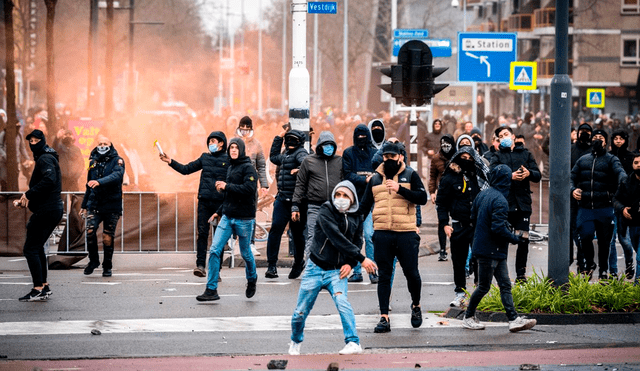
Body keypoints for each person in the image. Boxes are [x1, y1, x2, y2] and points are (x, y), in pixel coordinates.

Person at [288, 181, 378, 356]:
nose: (341, 199)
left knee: (342, 303)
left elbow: (357, 241)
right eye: (338, 195)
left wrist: (351, 264)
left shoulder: (357, 216)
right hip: (315, 267)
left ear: (352, 199)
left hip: (337, 271)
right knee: (300, 311)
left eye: (345, 196)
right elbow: (335, 237)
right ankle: (295, 341)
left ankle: (353, 342)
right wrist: (362, 259)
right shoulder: (326, 210)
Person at [359, 142, 428, 333]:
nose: (389, 160)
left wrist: (400, 189)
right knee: (384, 276)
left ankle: (416, 306)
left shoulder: (411, 175)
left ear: (400, 157)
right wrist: (353, 226)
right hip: (382, 233)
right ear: (382, 157)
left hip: (406, 233)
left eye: (392, 157)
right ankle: (384, 317)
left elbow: (422, 198)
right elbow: (364, 206)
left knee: (412, 274)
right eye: (386, 157)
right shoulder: (375, 180)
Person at [462, 164, 537, 332]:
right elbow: (497, 228)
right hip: (491, 250)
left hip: (486, 248)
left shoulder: (483, 195)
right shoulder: (501, 200)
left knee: (504, 284)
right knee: (484, 286)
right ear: (505, 180)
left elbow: (474, 216)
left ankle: (513, 319)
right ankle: (468, 316)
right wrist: (515, 238)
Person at [196, 138, 259, 301]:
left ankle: (252, 278)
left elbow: (249, 189)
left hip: (244, 219)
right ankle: (211, 289)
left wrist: (226, 186)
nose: (233, 150)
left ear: (241, 150)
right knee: (215, 250)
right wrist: (218, 211)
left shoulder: (249, 168)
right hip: (227, 217)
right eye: (231, 147)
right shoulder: (230, 167)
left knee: (246, 254)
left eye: (236, 148)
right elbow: (228, 196)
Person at [160, 131, 229, 277]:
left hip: (220, 204)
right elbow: (186, 169)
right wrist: (170, 161)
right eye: (210, 141)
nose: (211, 144)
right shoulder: (205, 157)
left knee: (219, 237)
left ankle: (216, 271)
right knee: (202, 234)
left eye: (214, 141)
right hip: (204, 201)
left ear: (222, 143)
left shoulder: (229, 160)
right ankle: (200, 266)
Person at [436, 146, 488, 308]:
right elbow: (441, 203)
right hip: (458, 226)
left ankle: (481, 293)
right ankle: (460, 293)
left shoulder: (478, 177)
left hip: (478, 225)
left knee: (479, 259)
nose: (466, 161)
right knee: (458, 261)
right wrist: (444, 223)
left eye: (469, 158)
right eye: (462, 157)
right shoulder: (449, 178)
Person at [571, 129, 627, 279]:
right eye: (594, 137)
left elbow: (620, 172)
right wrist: (572, 189)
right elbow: (571, 177)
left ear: (606, 142)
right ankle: (590, 264)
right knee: (585, 236)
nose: (597, 140)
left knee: (604, 242)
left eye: (600, 138)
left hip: (605, 207)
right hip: (586, 207)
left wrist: (624, 182)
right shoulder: (583, 160)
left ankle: (603, 270)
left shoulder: (611, 159)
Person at [15, 129, 63, 301]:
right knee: (38, 247)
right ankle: (44, 286)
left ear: (43, 141)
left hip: (48, 209)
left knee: (31, 248)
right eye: (31, 141)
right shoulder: (46, 156)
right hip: (50, 208)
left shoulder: (45, 158)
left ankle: (37, 289)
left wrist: (28, 194)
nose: (33, 144)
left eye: (36, 141)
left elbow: (49, 180)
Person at [490, 126, 541, 282]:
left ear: (513, 136)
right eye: (500, 136)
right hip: (504, 205)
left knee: (523, 239)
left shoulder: (526, 154)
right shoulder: (497, 156)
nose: (504, 137)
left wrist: (528, 173)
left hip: (523, 205)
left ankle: (521, 274)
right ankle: (502, 275)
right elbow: (491, 174)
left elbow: (537, 175)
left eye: (506, 134)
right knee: (501, 240)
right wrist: (509, 176)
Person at [291, 131, 343, 261]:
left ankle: (332, 268)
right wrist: (295, 206)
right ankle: (310, 268)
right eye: (326, 145)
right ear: (320, 146)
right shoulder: (309, 161)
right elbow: (300, 184)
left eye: (331, 145)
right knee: (313, 237)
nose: (329, 147)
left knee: (334, 238)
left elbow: (345, 184)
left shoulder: (339, 161)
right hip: (314, 206)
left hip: (334, 207)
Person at [265, 128, 308, 279]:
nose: (290, 142)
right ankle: (271, 266)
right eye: (288, 139)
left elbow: (306, 162)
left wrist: (300, 169)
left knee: (297, 234)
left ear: (300, 141)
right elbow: (273, 157)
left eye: (293, 139)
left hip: (298, 201)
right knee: (276, 229)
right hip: (282, 199)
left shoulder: (301, 152)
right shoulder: (284, 154)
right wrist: (278, 137)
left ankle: (298, 263)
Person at [80, 136, 125, 278]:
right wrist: (84, 205)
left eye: (105, 143)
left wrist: (99, 182)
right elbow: (89, 184)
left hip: (112, 205)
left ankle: (107, 265)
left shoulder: (118, 160)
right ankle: (93, 261)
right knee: (90, 231)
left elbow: (117, 176)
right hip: (95, 204)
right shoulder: (92, 161)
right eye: (100, 143)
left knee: (107, 236)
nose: (102, 145)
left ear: (111, 145)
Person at [342, 123, 377, 283]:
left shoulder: (375, 153)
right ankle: (356, 271)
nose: (361, 138)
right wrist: (365, 179)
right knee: (353, 238)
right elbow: (347, 174)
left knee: (369, 236)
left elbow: (379, 173)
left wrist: (370, 180)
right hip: (353, 202)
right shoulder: (349, 153)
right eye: (359, 136)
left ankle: (372, 271)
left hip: (370, 202)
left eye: (364, 135)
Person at [236, 116, 269, 256]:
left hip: (251, 186)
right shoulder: (234, 143)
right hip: (235, 184)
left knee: (251, 215)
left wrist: (264, 185)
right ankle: (233, 241)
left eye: (247, 129)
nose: (244, 132)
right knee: (233, 213)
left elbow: (261, 166)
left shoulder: (257, 144)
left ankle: (251, 243)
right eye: (242, 129)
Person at [609, 130, 635, 279]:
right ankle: (613, 272)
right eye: (616, 138)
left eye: (621, 139)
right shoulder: (609, 157)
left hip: (625, 203)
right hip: (610, 201)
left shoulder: (631, 158)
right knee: (612, 240)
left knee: (624, 239)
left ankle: (629, 262)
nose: (618, 141)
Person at [570, 123, 594, 272]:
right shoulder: (571, 149)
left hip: (589, 196)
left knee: (585, 230)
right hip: (572, 195)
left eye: (587, 131)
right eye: (582, 131)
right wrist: (572, 189)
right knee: (574, 228)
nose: (584, 134)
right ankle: (580, 260)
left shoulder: (593, 151)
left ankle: (583, 260)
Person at [613, 152, 640, 284]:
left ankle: (637, 286)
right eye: (636, 163)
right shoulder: (626, 181)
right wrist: (622, 209)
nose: (639, 165)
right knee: (634, 248)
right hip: (633, 224)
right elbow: (616, 199)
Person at [429, 134, 456, 261]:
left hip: (456, 194)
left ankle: (456, 247)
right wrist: (432, 192)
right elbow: (432, 177)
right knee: (442, 222)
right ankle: (442, 249)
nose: (445, 147)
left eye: (448, 144)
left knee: (457, 221)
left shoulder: (457, 157)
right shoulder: (436, 158)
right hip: (442, 193)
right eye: (443, 144)